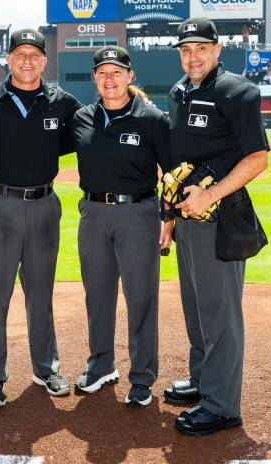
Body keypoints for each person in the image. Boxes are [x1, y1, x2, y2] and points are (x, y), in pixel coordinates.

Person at [0, 29, 81, 408]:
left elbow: (79, 139)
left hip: (44, 205)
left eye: (34, 54)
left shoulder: (62, 102)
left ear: (44, 61)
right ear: (8, 59)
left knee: (41, 293)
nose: (27, 61)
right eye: (20, 54)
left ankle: (46, 368)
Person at [164, 17, 269, 435]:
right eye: (186, 50)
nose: (192, 57)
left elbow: (257, 158)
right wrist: (169, 215)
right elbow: (176, 162)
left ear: (217, 49)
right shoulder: (178, 91)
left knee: (219, 313)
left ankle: (223, 406)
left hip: (221, 218)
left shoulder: (238, 93)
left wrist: (210, 194)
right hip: (187, 218)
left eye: (200, 48)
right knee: (195, 308)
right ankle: (205, 382)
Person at [72, 45, 172, 406]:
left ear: (130, 76)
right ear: (95, 78)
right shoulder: (82, 117)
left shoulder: (152, 118)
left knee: (141, 299)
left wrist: (169, 220)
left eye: (117, 72)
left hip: (139, 216)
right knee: (97, 296)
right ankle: (101, 365)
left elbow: (173, 174)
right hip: (94, 214)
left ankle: (142, 377)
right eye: (102, 73)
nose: (109, 79)